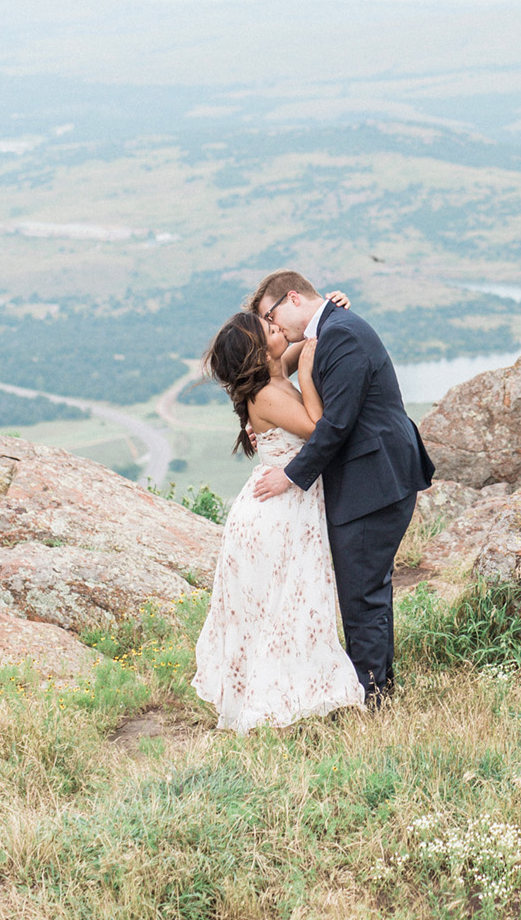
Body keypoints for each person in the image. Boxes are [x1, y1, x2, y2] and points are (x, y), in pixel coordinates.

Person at [249, 268, 434, 707]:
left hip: (374, 480)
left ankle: (371, 699)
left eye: (271, 316)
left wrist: (291, 473)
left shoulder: (341, 334)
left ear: (292, 298)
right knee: (366, 589)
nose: (274, 328)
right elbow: (281, 383)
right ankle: (378, 689)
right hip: (369, 478)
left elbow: (337, 424)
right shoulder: (329, 330)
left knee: (361, 594)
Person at [190, 301, 364, 732]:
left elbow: (306, 334)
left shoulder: (272, 372)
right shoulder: (268, 392)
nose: (276, 325)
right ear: (258, 349)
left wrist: (328, 304)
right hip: (279, 513)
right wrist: (306, 375)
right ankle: (282, 702)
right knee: (287, 605)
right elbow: (320, 427)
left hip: (287, 505)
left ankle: (298, 694)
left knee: (288, 605)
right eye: (268, 326)